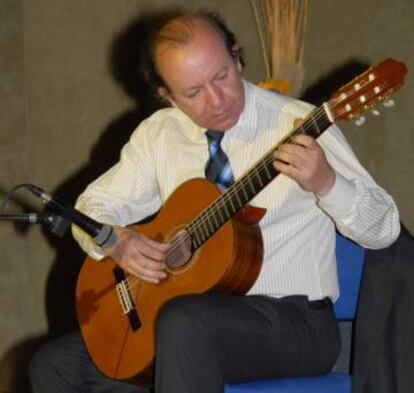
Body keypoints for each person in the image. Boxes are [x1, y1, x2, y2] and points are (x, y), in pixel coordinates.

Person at [30, 11, 400, 393]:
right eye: (192, 92)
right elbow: (92, 208)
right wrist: (117, 242)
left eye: (221, 76)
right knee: (55, 366)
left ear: (238, 58)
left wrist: (327, 183)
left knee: (185, 324)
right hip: (185, 324)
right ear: (167, 96)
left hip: (294, 324)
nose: (217, 100)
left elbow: (385, 231)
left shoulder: (299, 123)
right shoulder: (160, 135)